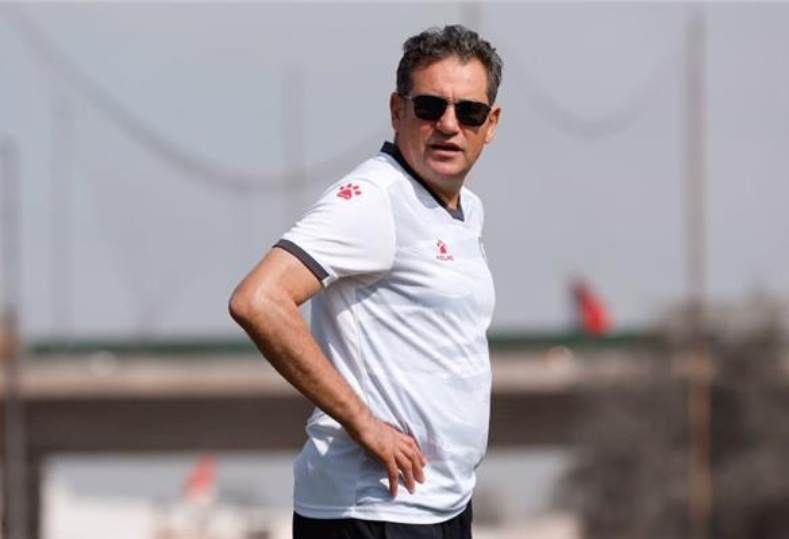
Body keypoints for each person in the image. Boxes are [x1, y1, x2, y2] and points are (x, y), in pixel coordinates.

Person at [229, 24, 502, 539]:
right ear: (398, 111)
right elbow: (259, 300)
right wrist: (362, 421)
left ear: (491, 124)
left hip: (441, 507)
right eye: (430, 107)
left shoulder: (466, 210)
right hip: (371, 511)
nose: (449, 125)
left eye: (468, 112)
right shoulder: (374, 198)